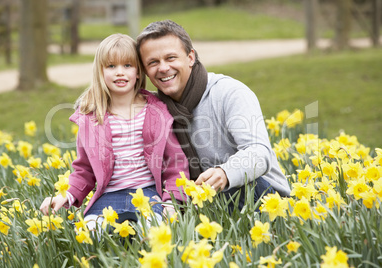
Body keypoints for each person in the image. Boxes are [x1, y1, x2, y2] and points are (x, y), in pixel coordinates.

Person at [136, 20, 291, 210]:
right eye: (153, 62)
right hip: (203, 200)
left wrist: (225, 173)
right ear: (144, 71)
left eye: (171, 58)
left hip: (263, 195)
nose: (163, 68)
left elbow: (259, 152)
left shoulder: (229, 92)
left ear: (190, 57)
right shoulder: (153, 109)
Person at [40, 33, 189, 230]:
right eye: (111, 66)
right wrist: (66, 194)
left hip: (148, 195)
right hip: (108, 197)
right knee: (88, 233)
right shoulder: (91, 118)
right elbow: (84, 170)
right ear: (100, 72)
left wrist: (172, 202)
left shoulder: (157, 112)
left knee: (155, 232)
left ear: (138, 72)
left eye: (127, 65)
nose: (120, 72)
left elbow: (175, 164)